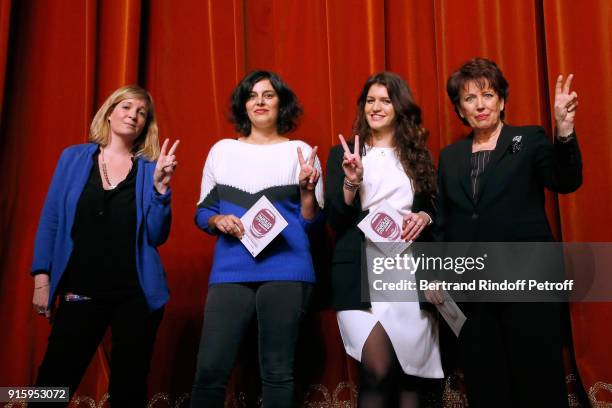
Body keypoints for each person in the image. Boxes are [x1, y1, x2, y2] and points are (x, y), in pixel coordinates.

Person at [432, 57, 582, 407]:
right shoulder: (451, 156)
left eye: (488, 94)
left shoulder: (527, 140)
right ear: (459, 108)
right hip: (473, 290)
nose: (480, 105)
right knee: (486, 385)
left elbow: (566, 180)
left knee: (539, 381)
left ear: (501, 100)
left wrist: (564, 132)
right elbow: (445, 220)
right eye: (470, 98)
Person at [31, 85, 179, 407]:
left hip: (135, 295)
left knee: (129, 389)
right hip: (81, 289)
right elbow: (52, 219)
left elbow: (157, 236)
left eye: (141, 112)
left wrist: (161, 191)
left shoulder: (150, 168)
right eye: (126, 107)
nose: (134, 115)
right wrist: (42, 278)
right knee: (51, 385)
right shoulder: (73, 158)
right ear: (110, 112)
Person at [191, 70, 323, 408]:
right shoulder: (221, 151)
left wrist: (307, 192)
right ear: (243, 105)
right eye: (252, 95)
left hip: (287, 270)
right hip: (231, 270)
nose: (260, 101)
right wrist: (219, 219)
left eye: (268, 94)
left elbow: (311, 224)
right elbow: (203, 212)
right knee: (209, 370)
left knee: (277, 372)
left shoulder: (301, 151)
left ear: (282, 104)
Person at [326, 72, 442, 408]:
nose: (375, 107)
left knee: (409, 381)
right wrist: (351, 183)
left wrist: (426, 217)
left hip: (408, 274)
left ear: (400, 107)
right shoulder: (343, 155)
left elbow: (436, 218)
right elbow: (334, 221)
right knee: (377, 372)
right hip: (359, 274)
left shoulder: (419, 158)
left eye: (385, 100)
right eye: (370, 100)